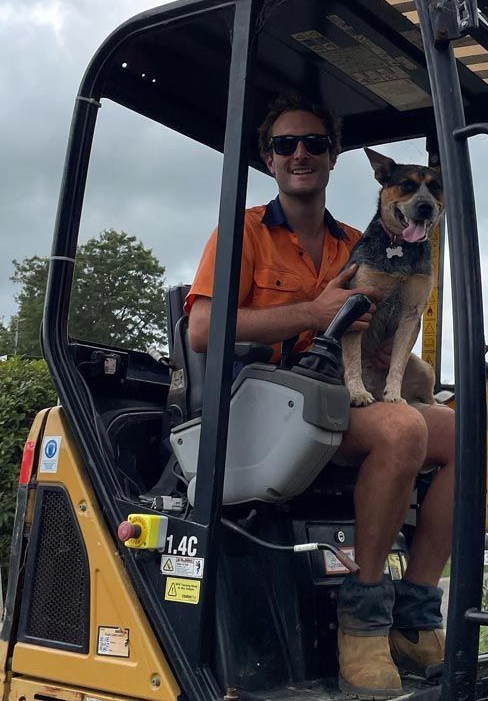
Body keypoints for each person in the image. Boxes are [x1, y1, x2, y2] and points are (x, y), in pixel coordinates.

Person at [186, 94, 455, 698]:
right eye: (286, 145)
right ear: (270, 159)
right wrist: (312, 311)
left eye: (314, 143)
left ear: (334, 158)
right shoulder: (243, 234)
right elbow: (202, 330)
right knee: (403, 430)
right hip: (263, 403)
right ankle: (362, 623)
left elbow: (384, 331)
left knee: (463, 432)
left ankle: (414, 612)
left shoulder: (364, 242)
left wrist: (395, 360)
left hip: (336, 398)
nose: (300, 154)